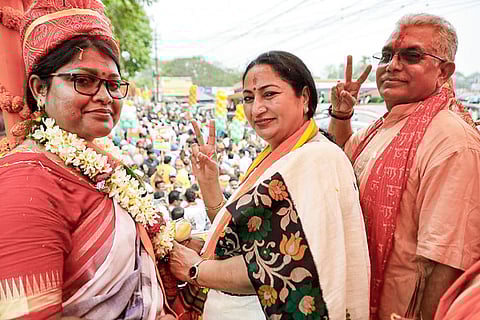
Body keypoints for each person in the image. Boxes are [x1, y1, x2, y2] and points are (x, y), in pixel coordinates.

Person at [0, 1, 175, 318]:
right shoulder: (24, 179)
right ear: (40, 89)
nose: (105, 97)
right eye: (84, 80)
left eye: (112, 84)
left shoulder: (100, 166)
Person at [168, 51, 370, 319]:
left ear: (305, 98)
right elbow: (249, 238)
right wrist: (208, 184)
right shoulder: (277, 155)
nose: (256, 108)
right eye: (249, 98)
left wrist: (196, 270)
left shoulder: (316, 159)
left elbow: (277, 263)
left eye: (270, 94)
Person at [328, 13, 480, 320]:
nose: (392, 66)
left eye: (411, 56)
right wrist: (341, 115)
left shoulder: (452, 141)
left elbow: (448, 256)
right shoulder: (384, 126)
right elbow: (341, 163)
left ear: (444, 71)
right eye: (387, 55)